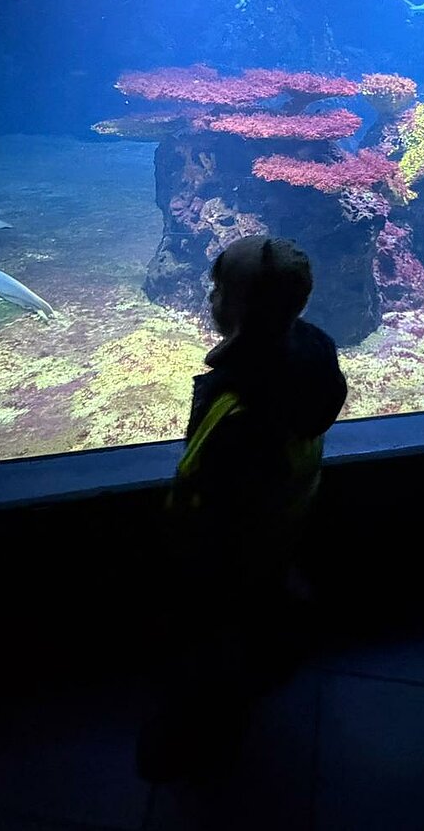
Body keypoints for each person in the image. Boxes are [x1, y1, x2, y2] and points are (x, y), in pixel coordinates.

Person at [137, 234, 347, 783]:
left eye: (218, 287)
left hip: (221, 562)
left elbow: (215, 500)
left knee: (211, 650)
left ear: (234, 305)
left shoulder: (242, 410)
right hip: (280, 538)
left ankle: (200, 740)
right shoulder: (310, 364)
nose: (210, 296)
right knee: (250, 626)